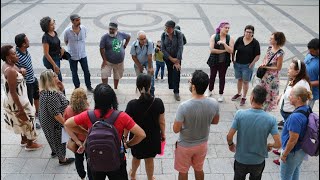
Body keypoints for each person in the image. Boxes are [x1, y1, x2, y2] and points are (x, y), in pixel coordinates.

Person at [64, 83, 146, 180]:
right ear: (112, 99)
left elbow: (67, 124)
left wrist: (86, 133)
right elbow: (141, 134)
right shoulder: (121, 116)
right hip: (116, 160)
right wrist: (128, 144)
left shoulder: (88, 115)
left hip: (95, 161)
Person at [227, 85, 281, 180]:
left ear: (252, 97)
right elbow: (278, 144)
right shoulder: (271, 119)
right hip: (258, 161)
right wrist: (269, 145)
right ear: (264, 100)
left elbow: (229, 136)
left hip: (241, 159)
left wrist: (231, 144)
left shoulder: (240, 114)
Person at [173, 70, 219, 180]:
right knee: (199, 169)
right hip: (202, 144)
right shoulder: (214, 103)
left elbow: (175, 129)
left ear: (193, 86)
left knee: (183, 171)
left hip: (185, 145)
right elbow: (215, 121)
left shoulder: (184, 106)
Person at [125, 74, 165, 180]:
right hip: (153, 137)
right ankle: (150, 177)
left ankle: (133, 174)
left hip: (136, 137)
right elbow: (162, 122)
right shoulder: (158, 102)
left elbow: (126, 124)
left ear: (137, 87)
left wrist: (124, 137)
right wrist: (163, 134)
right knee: (149, 159)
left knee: (136, 158)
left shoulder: (131, 104)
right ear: (150, 86)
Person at [1, 45, 42, 150]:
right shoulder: (10, 70)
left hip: (17, 98)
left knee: (21, 121)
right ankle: (30, 143)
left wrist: (21, 71)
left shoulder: (8, 65)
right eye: (14, 54)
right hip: (18, 100)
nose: (17, 55)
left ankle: (24, 139)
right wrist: (21, 108)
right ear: (8, 57)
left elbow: (15, 76)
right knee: (28, 120)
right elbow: (13, 91)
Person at [272, 59, 311, 165]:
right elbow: (288, 92)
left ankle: (284, 155)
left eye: (290, 68)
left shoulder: (302, 84)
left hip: (292, 113)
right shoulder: (294, 79)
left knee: (290, 136)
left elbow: (303, 100)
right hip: (287, 113)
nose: (288, 70)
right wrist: (281, 96)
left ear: (297, 71)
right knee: (285, 133)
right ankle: (281, 149)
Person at [39, 69, 75, 165]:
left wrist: (61, 89)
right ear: (50, 80)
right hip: (54, 123)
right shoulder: (52, 95)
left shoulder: (46, 91)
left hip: (46, 120)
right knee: (60, 140)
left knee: (52, 137)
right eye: (54, 76)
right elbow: (56, 114)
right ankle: (62, 159)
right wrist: (66, 124)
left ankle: (54, 151)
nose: (57, 76)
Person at [280, 86, 312, 180]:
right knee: (295, 172)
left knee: (285, 177)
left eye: (291, 95)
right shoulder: (307, 108)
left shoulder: (295, 117)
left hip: (292, 152)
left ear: (298, 98)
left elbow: (293, 139)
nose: (289, 97)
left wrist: (285, 154)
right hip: (301, 150)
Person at [63, 88, 92, 180]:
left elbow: (67, 127)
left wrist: (77, 141)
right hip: (87, 142)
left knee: (78, 159)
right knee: (90, 160)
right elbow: (90, 130)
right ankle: (90, 177)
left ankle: (82, 176)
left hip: (75, 140)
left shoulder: (68, 110)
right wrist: (83, 144)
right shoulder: (88, 111)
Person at [15, 33, 41, 129]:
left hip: (33, 79)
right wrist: (19, 69)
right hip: (27, 83)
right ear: (23, 44)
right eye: (27, 40)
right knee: (29, 103)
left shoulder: (25, 50)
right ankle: (32, 120)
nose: (29, 41)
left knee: (37, 97)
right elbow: (11, 65)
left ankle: (38, 115)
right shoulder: (16, 55)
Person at [63, 14, 94, 92]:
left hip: (83, 54)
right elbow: (66, 41)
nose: (79, 21)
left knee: (86, 71)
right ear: (72, 21)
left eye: (79, 20)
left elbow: (84, 38)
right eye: (77, 20)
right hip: (72, 55)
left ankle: (89, 86)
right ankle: (77, 87)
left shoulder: (83, 28)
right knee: (74, 72)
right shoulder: (67, 31)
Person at [232, 25, 261, 106]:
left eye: (250, 32)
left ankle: (244, 97)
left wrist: (252, 64)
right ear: (244, 32)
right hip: (238, 64)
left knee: (245, 81)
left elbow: (258, 55)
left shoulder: (255, 43)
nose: (248, 33)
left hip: (248, 65)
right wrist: (233, 59)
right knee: (239, 79)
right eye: (246, 32)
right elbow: (234, 49)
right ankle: (238, 93)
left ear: (252, 33)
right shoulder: (240, 39)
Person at [207, 21, 235, 102]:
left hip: (224, 62)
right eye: (225, 27)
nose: (227, 29)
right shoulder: (214, 36)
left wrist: (224, 44)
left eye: (228, 28)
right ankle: (210, 90)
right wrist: (223, 51)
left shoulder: (230, 38)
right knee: (212, 76)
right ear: (220, 28)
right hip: (214, 61)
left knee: (222, 78)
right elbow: (212, 50)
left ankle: (221, 94)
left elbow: (231, 51)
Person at [259, 32, 286, 111]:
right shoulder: (270, 47)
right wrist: (263, 64)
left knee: (270, 94)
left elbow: (278, 67)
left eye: (271, 39)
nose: (269, 39)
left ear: (276, 41)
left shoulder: (280, 53)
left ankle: (266, 110)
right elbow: (265, 58)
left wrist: (266, 67)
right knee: (263, 92)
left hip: (272, 77)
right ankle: (261, 107)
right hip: (265, 75)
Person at [99, 22, 131, 89]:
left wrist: (124, 46)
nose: (111, 30)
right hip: (108, 61)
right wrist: (104, 60)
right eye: (110, 29)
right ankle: (105, 88)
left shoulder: (121, 34)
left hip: (119, 62)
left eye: (113, 29)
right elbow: (101, 49)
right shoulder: (105, 37)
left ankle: (115, 88)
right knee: (104, 74)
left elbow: (128, 37)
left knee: (117, 76)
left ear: (116, 29)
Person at [161, 20, 184, 101]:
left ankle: (176, 92)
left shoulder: (179, 34)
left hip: (177, 58)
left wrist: (177, 61)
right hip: (168, 58)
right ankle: (171, 85)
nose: (166, 30)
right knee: (170, 71)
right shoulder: (163, 35)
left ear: (173, 28)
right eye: (166, 28)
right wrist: (171, 59)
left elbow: (180, 47)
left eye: (168, 28)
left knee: (176, 73)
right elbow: (162, 49)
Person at [130, 30, 155, 96]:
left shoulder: (149, 43)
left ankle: (151, 92)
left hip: (147, 61)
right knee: (140, 78)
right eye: (142, 39)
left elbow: (150, 56)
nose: (144, 41)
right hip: (138, 62)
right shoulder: (134, 45)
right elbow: (133, 57)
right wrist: (139, 66)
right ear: (138, 39)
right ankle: (141, 92)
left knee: (151, 76)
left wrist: (150, 68)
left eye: (145, 38)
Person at [40, 16, 65, 82]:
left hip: (57, 58)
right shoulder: (45, 37)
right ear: (46, 26)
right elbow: (46, 53)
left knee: (57, 78)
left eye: (53, 23)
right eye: (51, 25)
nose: (53, 26)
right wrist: (54, 65)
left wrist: (61, 48)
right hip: (50, 60)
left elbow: (56, 43)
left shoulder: (54, 33)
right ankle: (60, 92)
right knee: (58, 79)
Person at [305, 38, 319, 109]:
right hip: (303, 87)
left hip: (311, 91)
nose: (310, 53)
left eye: (312, 51)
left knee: (307, 110)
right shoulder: (310, 54)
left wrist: (307, 83)